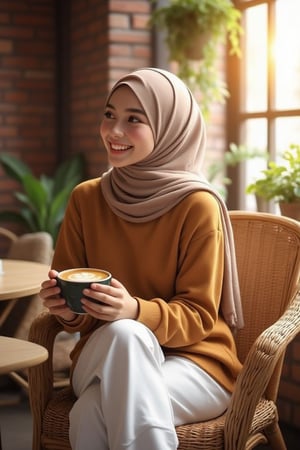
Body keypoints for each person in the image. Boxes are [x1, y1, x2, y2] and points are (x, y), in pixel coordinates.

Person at [40, 67, 244, 450]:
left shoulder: (198, 206)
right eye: (109, 114)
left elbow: (200, 316)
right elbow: (75, 308)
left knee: (90, 413)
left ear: (171, 128)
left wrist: (134, 310)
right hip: (102, 358)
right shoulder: (86, 198)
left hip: (196, 364)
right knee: (123, 335)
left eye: (134, 119)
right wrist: (65, 311)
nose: (113, 131)